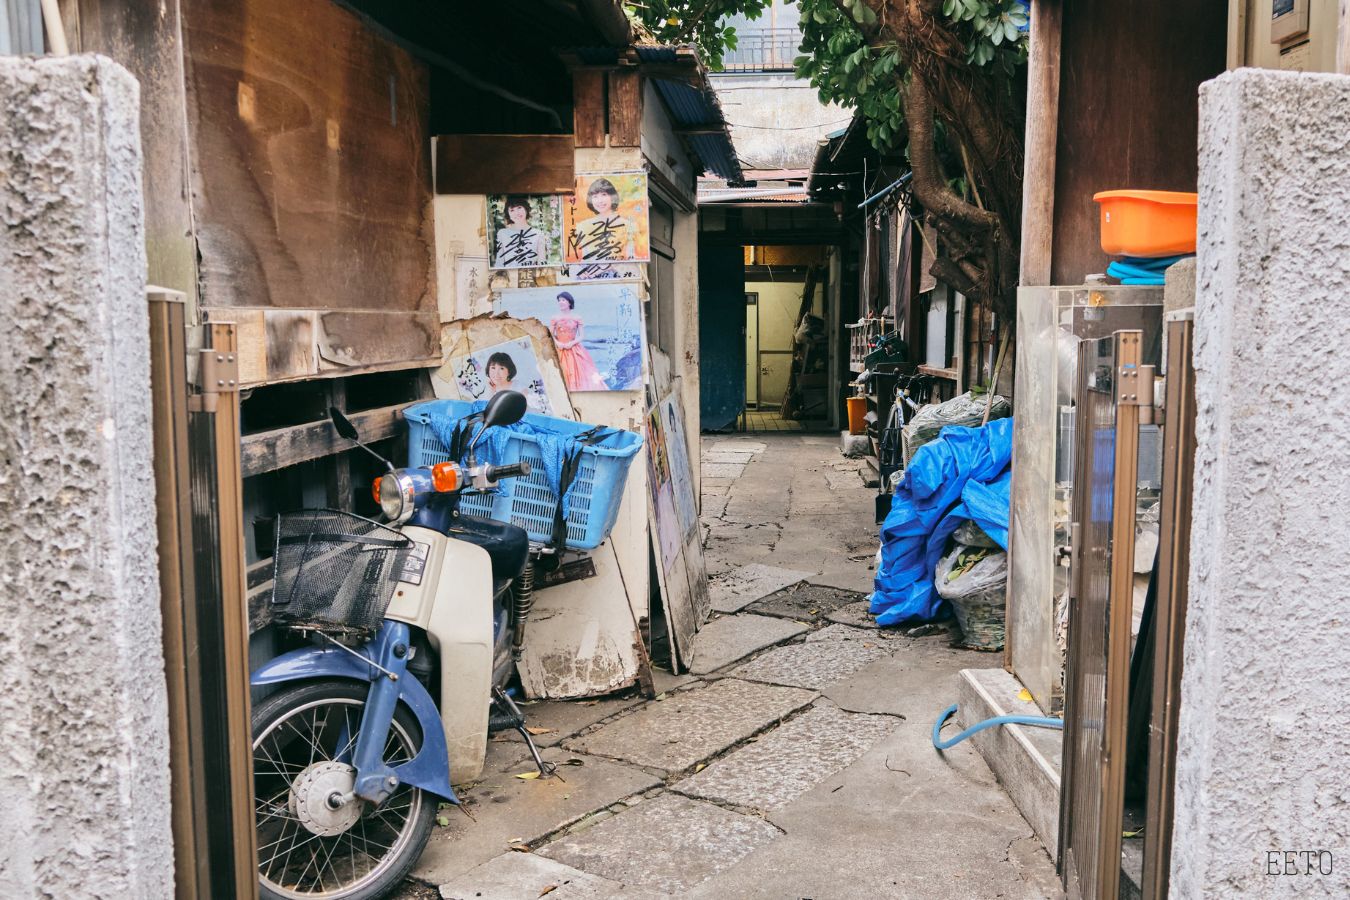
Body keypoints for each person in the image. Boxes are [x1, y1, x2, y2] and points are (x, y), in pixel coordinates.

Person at [550, 292, 609, 391]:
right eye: (559, 300)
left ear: (569, 302)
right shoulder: (554, 318)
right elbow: (550, 334)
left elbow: (581, 336)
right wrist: (558, 343)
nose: (560, 302)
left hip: (573, 348)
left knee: (581, 373)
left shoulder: (577, 318)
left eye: (563, 300)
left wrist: (571, 344)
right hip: (559, 348)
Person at [569, 178, 638, 262]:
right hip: (592, 273)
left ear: (612, 197)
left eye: (604, 195)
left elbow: (631, 258)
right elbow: (585, 258)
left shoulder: (628, 225)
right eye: (595, 196)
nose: (600, 200)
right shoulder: (583, 226)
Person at [495, 196, 548, 268]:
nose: (516, 213)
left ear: (526, 209)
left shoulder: (538, 234)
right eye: (512, 210)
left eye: (519, 208)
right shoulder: (502, 233)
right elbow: (499, 262)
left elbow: (542, 262)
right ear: (508, 214)